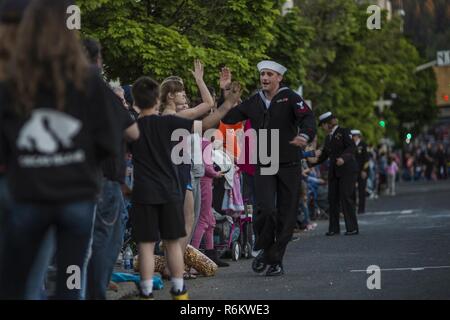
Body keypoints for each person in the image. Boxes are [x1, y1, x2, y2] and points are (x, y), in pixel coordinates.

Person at [0, 0, 120, 299]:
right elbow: (109, 141)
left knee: (21, 280)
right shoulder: (90, 81)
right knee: (70, 279)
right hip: (76, 199)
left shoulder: (12, 83)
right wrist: (83, 164)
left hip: (29, 196)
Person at [129, 76, 241, 299]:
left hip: (143, 192)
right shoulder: (170, 122)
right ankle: (180, 292)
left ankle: (146, 292)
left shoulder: (131, 129)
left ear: (135, 103)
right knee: (172, 241)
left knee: (146, 244)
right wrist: (228, 104)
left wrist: (124, 185)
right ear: (157, 101)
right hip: (170, 189)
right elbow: (208, 123)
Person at [221, 60, 316, 276]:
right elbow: (228, 117)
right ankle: (266, 248)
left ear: (279, 78)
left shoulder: (290, 97)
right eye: (262, 74)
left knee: (286, 214)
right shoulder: (254, 101)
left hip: (289, 162)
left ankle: (275, 260)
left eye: (269, 74)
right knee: (265, 208)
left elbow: (308, 118)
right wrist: (225, 92)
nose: (264, 78)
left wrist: (305, 135)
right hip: (264, 161)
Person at [83, 38, 140, 300]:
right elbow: (133, 130)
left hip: (70, 178)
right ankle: (96, 290)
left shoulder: (56, 85)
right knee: (107, 238)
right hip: (103, 178)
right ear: (97, 60)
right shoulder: (98, 88)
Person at [314, 112, 359, 236]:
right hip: (334, 172)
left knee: (345, 197)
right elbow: (323, 156)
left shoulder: (344, 131)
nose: (322, 128)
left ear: (328, 123)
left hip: (347, 170)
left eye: (323, 125)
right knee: (332, 199)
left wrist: (343, 158)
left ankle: (352, 227)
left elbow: (352, 147)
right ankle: (334, 228)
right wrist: (311, 161)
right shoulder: (328, 138)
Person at [351, 130, 369, 214]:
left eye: (354, 136)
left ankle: (361, 209)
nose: (353, 137)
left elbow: (366, 159)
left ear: (358, 136)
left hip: (361, 170)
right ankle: (353, 207)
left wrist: (364, 170)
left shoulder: (363, 145)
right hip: (353, 171)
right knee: (352, 190)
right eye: (352, 136)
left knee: (362, 190)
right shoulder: (350, 145)